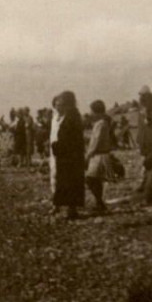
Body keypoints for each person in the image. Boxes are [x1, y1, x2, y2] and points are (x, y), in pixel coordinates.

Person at [49, 90, 86, 220]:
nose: (59, 106)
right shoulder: (72, 115)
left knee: (70, 182)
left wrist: (56, 146)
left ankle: (71, 210)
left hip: (70, 156)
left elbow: (69, 139)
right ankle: (71, 209)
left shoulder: (71, 117)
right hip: (69, 156)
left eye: (61, 103)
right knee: (69, 181)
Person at [84, 99, 117, 214]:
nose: (91, 114)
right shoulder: (102, 123)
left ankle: (100, 202)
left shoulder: (100, 124)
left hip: (99, 155)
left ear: (97, 112)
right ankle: (99, 203)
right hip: (101, 154)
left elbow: (96, 142)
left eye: (92, 111)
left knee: (90, 179)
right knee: (96, 179)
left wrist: (88, 155)